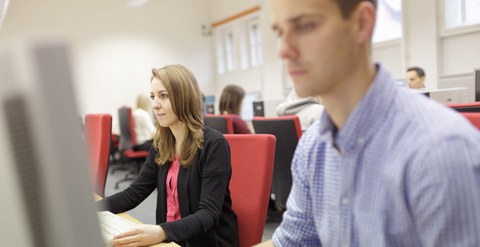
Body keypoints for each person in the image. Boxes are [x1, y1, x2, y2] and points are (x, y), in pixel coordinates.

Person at [256, 0, 480, 246]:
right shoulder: (312, 146)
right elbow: (292, 242)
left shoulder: (440, 151)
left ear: (362, 23)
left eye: (304, 26)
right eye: (280, 32)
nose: (283, 51)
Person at [97, 64, 239, 247]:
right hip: (170, 240)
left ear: (184, 97)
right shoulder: (162, 144)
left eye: (163, 96)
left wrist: (162, 231)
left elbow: (208, 214)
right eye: (152, 97)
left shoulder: (214, 144)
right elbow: (135, 193)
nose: (155, 104)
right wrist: (91, 211)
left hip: (204, 242)